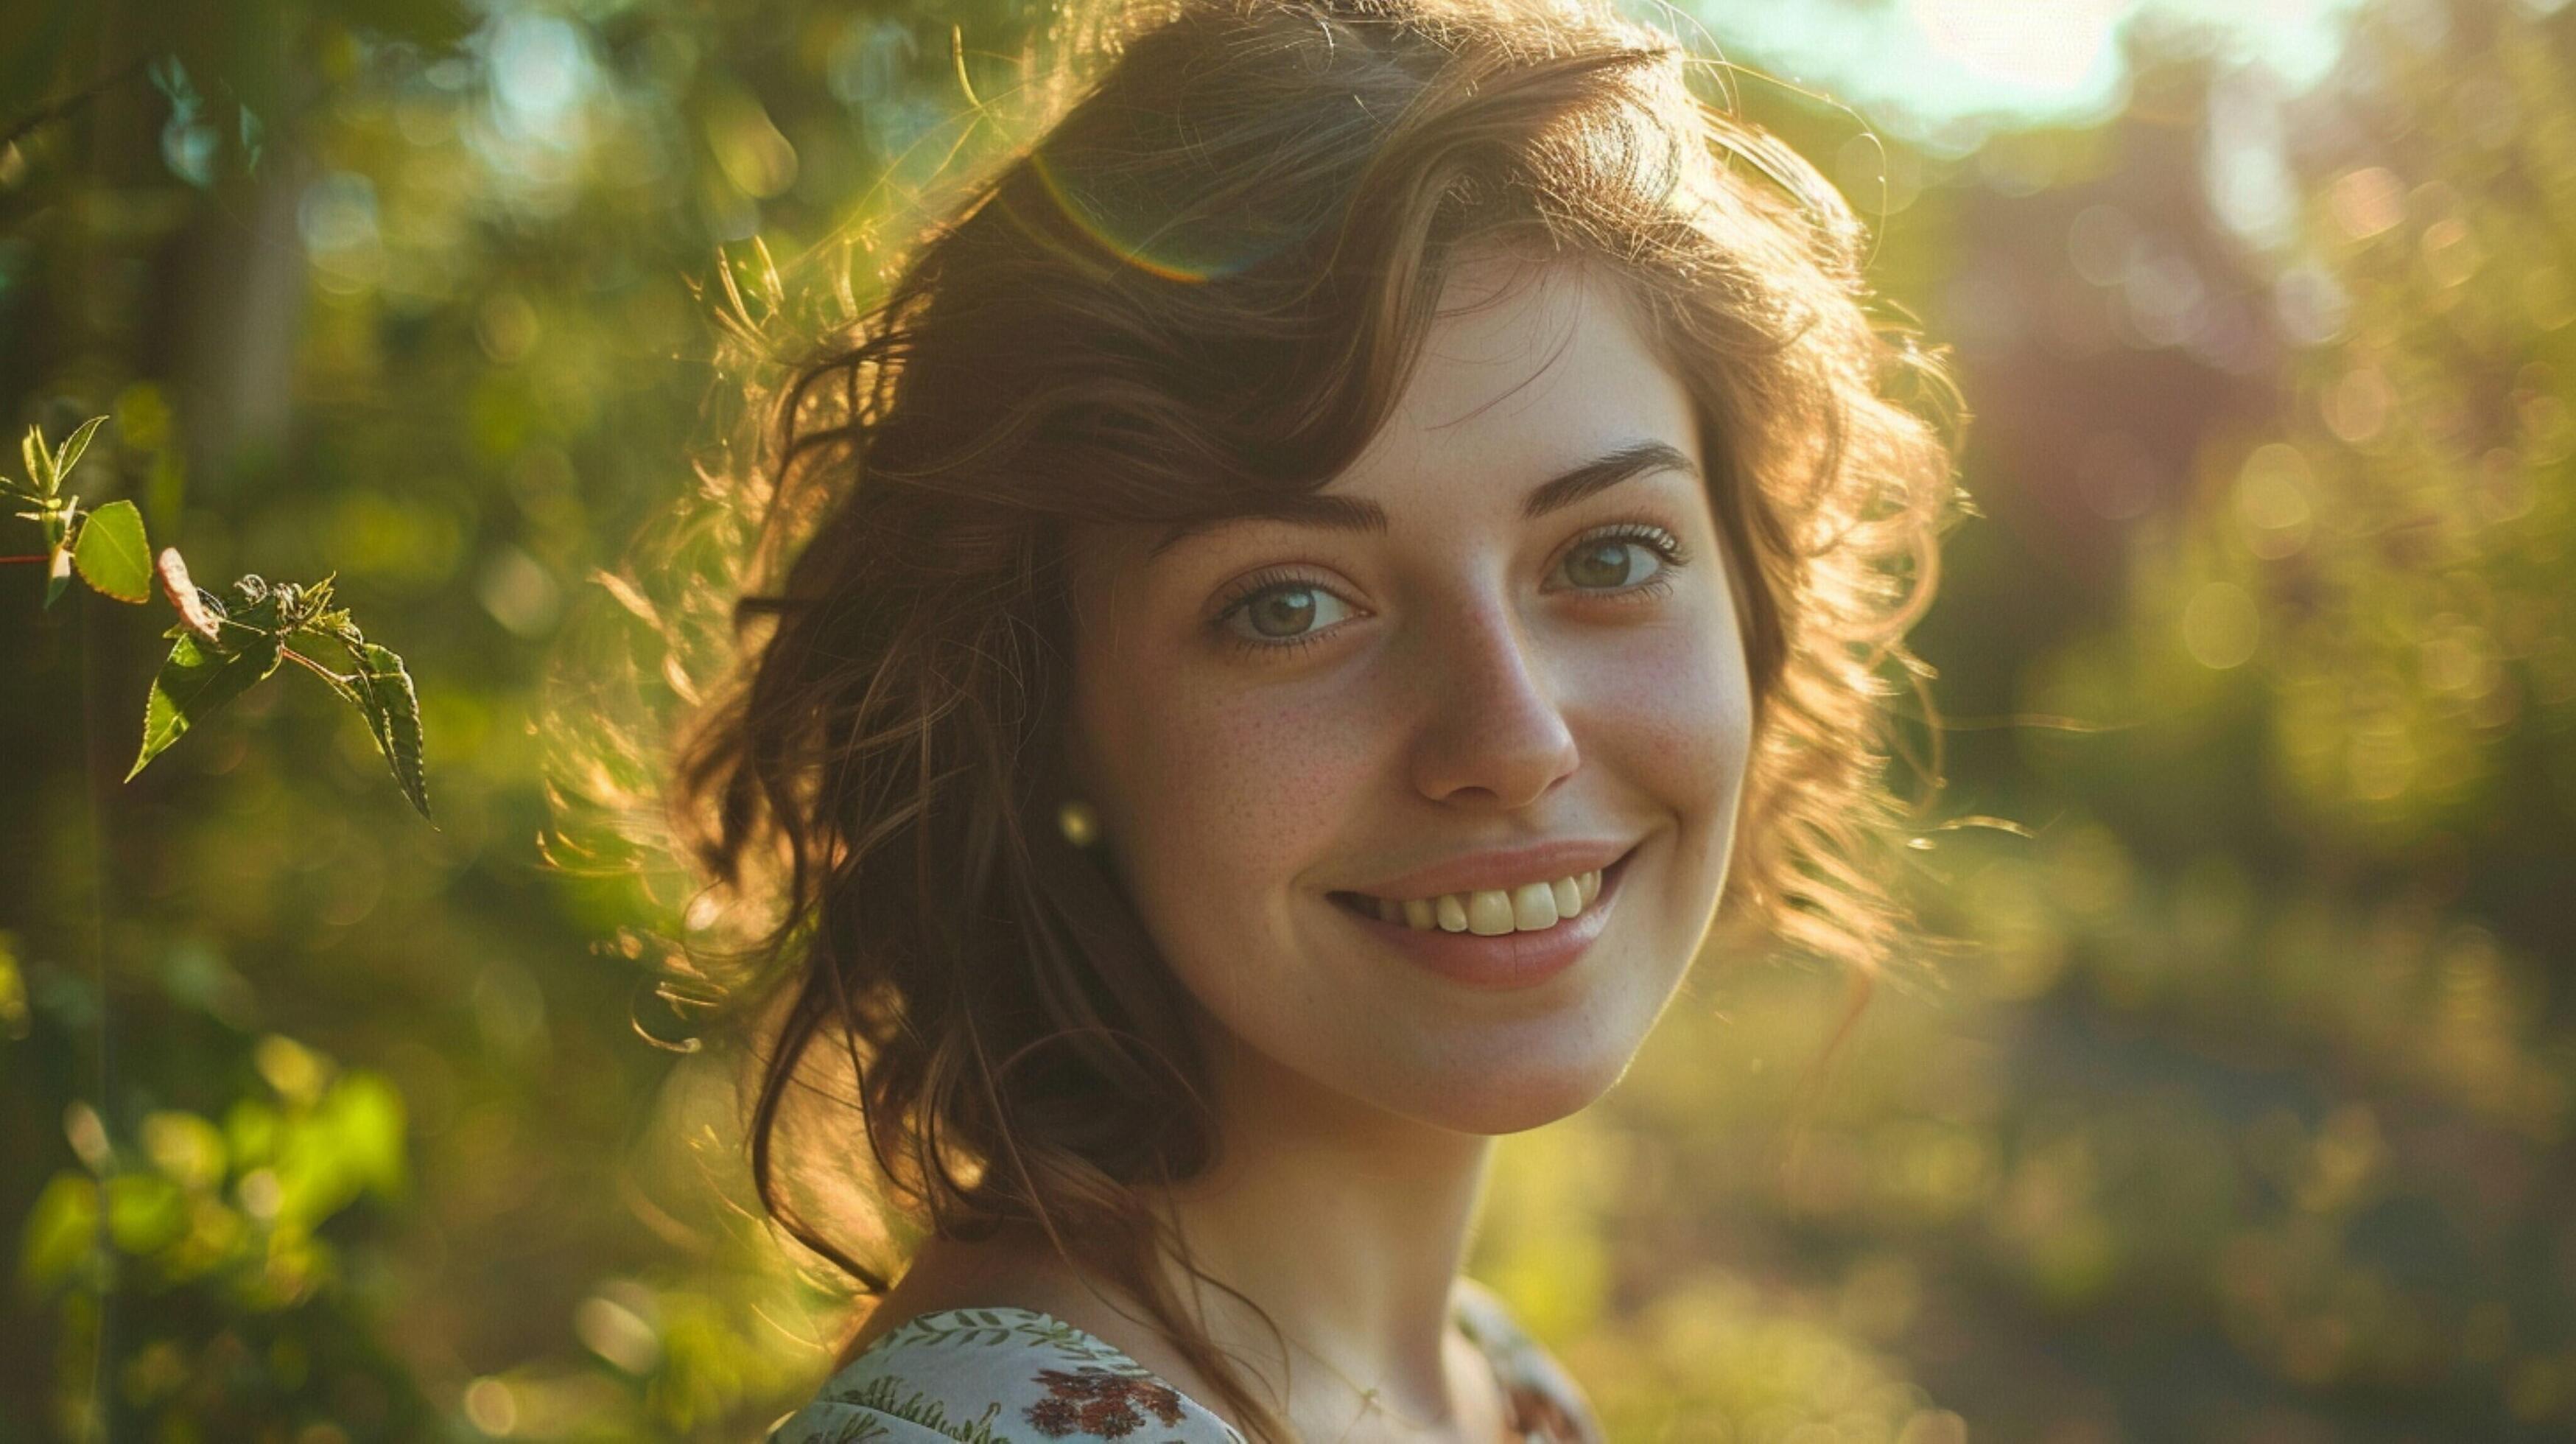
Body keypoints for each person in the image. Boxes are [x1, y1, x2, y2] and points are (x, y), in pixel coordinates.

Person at [667, 0, 1959, 1438]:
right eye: (1288, 603)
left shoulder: (1495, 1390)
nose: (1511, 735)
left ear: (1752, 607)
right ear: (1041, 714)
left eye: (1607, 556)